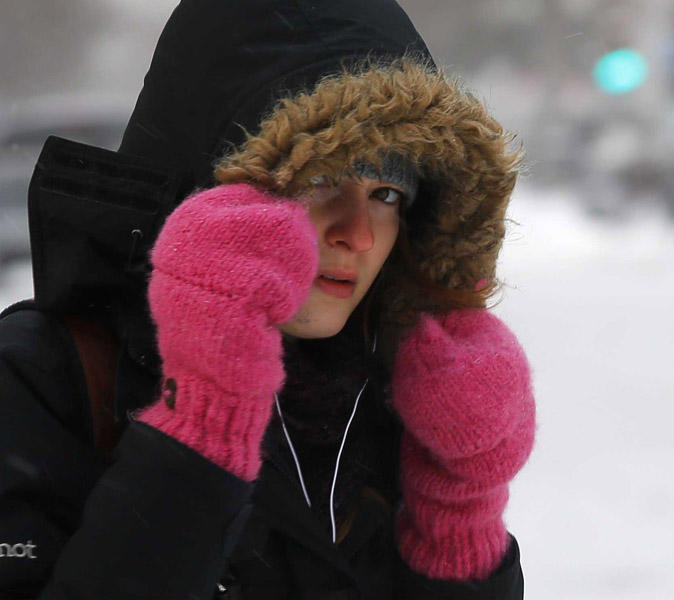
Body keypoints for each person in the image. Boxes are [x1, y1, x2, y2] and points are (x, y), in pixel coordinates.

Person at [0, 1, 537, 598]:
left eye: (387, 193)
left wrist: (460, 514)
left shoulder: (402, 400)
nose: (358, 234)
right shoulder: (40, 379)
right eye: (319, 179)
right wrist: (201, 427)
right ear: (211, 186)